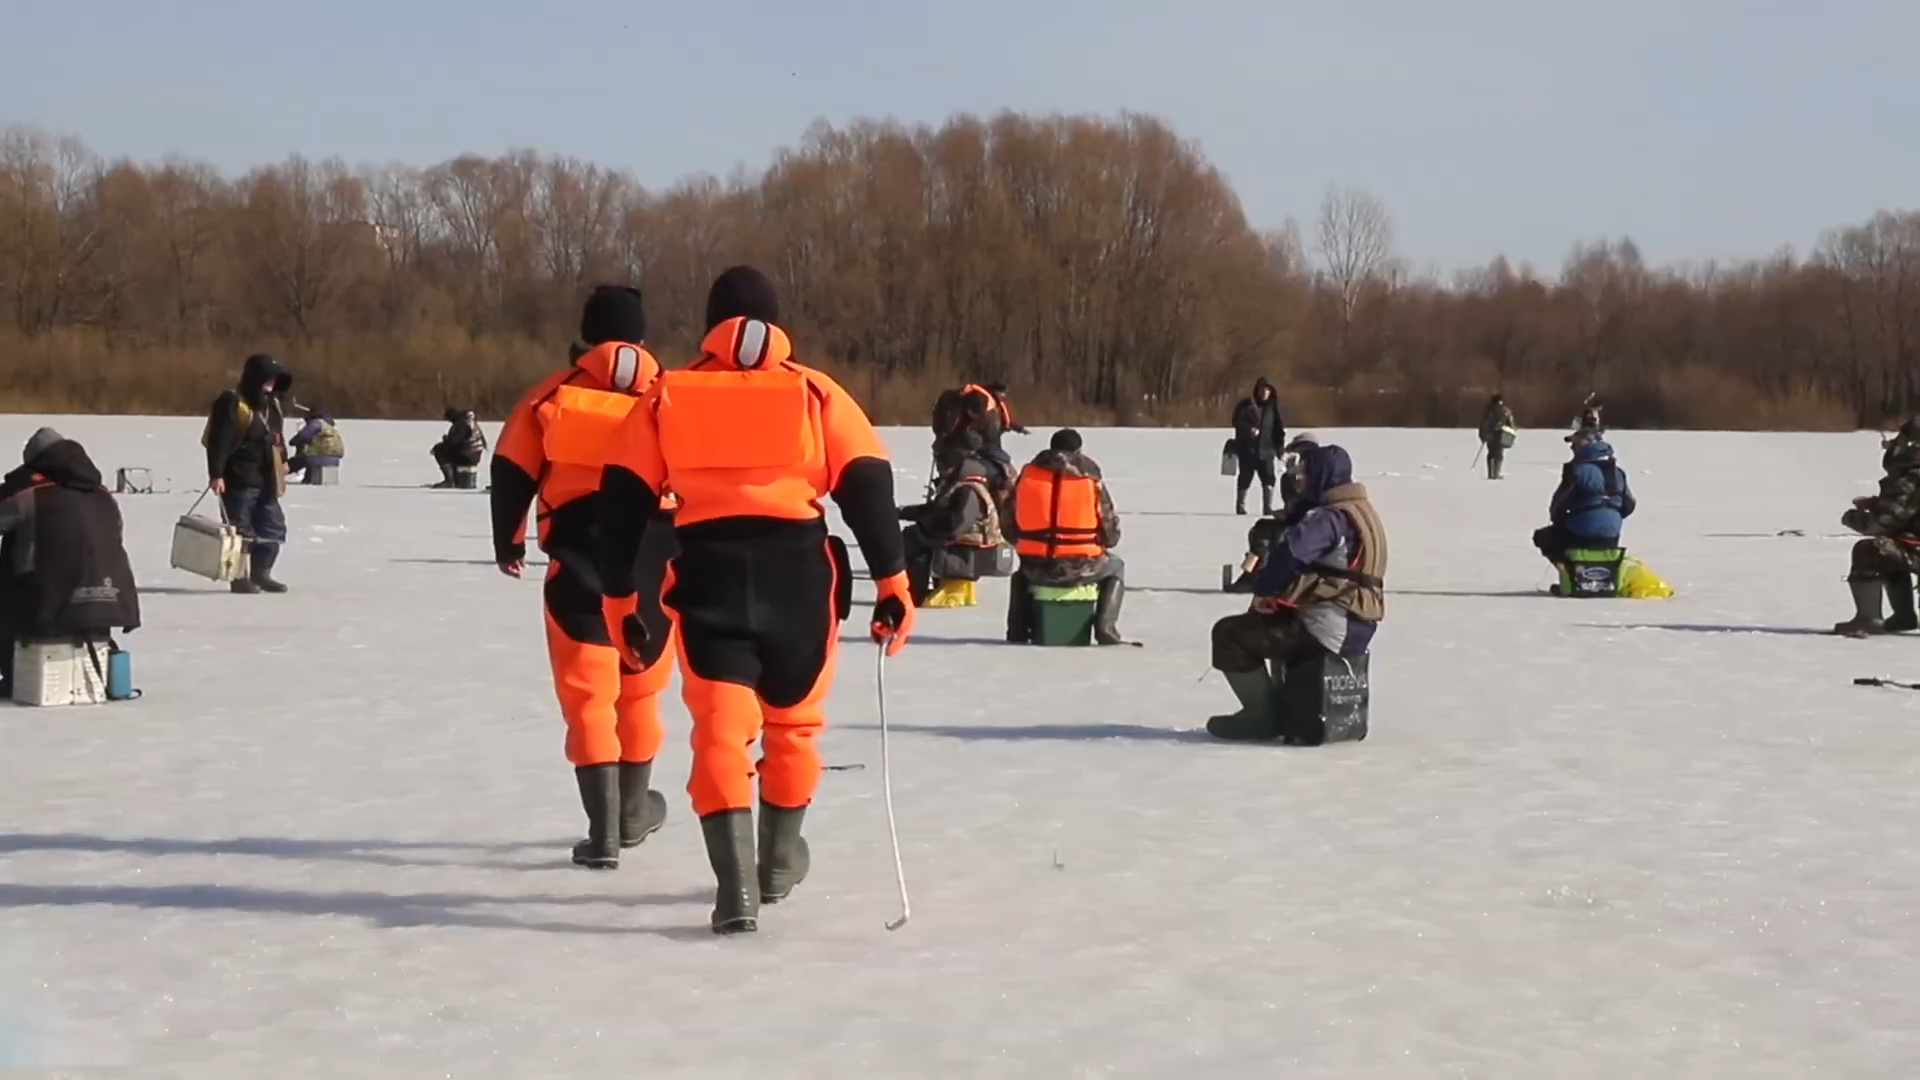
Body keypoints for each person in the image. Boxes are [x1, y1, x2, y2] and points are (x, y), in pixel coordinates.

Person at [594, 265, 914, 935]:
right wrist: (893, 581)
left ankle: (735, 890)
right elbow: (866, 484)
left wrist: (620, 596)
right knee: (793, 728)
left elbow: (621, 503)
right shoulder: (816, 391)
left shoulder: (668, 393)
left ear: (710, 327)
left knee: (720, 730)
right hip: (800, 579)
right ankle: (777, 862)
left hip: (709, 575)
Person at [492, 285, 676, 869]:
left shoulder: (552, 393)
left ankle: (603, 836)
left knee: (590, 701)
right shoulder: (673, 392)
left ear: (586, 336)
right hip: (654, 567)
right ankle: (633, 812)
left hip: (579, 565)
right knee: (640, 692)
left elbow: (511, 468)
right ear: (642, 336)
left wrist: (508, 540)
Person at [1207, 443, 1386, 740]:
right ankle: (1285, 710)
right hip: (1356, 625)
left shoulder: (1329, 518)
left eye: (1307, 473)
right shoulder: (1361, 511)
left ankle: (1261, 718)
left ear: (1321, 476)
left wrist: (1265, 589)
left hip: (1327, 627)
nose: (1301, 480)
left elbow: (1291, 554)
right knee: (1279, 622)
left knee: (1230, 634)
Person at [0, 428, 141, 700]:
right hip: (109, 596)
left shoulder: (29, 491)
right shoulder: (102, 493)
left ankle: (14, 674)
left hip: (46, 599)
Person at [1003, 428, 1127, 645]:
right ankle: (1105, 628)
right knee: (1116, 566)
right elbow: (1109, 529)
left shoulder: (1028, 475)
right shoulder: (1090, 478)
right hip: (1082, 565)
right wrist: (1106, 541)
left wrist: (1027, 542)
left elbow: (1008, 519)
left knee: (1021, 575)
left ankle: (1017, 630)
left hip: (1035, 565)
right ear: (1078, 451)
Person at [203, 352, 293, 594]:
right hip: (238, 479)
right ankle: (239, 577)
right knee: (239, 531)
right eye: (267, 380)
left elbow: (277, 438)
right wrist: (216, 474)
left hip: (267, 480)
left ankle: (261, 573)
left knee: (273, 528)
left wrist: (284, 463)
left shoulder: (272, 405)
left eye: (274, 381)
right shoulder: (232, 402)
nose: (271, 386)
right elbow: (218, 441)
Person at [899, 431, 1009, 604]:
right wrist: (905, 512)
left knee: (915, 542)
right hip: (965, 542)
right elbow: (937, 511)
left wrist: (928, 527)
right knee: (913, 535)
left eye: (943, 461)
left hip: (969, 548)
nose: (940, 467)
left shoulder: (967, 488)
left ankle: (913, 595)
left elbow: (957, 526)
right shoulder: (959, 483)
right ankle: (913, 591)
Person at [1834, 419, 1920, 637]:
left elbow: (1885, 522)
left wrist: (1853, 518)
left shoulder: (1910, 476)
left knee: (1871, 550)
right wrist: (1876, 504)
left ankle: (1868, 620)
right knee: (1896, 546)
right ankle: (1903, 617)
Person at [1533, 429, 1635, 585]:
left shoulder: (1576, 470)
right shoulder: (1618, 472)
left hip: (1582, 530)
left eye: (1575, 444)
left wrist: (1559, 519)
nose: (1572, 448)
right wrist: (1611, 516)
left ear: (1584, 446)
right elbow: (1629, 504)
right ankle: (1602, 578)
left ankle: (1571, 579)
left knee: (1543, 537)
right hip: (1612, 532)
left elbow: (1560, 503)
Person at [1225, 434, 1320, 594]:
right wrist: (1292, 483)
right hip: (1297, 520)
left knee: (1273, 535)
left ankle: (1267, 576)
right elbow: (1292, 501)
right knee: (1261, 530)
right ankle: (1253, 573)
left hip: (1317, 523)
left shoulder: (1321, 475)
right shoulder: (1288, 478)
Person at [1229, 378, 1286, 515]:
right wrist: (1248, 430)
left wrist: (1280, 448)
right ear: (1257, 390)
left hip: (1267, 450)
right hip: (1247, 450)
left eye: (1267, 390)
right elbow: (1236, 421)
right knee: (1245, 478)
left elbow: (1278, 430)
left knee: (1269, 479)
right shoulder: (1246, 405)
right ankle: (1240, 506)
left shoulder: (1272, 408)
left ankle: (1267, 507)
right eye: (1262, 389)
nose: (1264, 392)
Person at [432, 407, 488, 487]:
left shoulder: (462, 424)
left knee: (440, 450)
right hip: (474, 453)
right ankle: (456, 479)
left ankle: (450, 480)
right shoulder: (469, 421)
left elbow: (456, 440)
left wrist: (444, 444)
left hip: (467, 454)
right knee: (449, 450)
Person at [287, 404, 346, 480]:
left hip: (319, 456)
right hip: (334, 458)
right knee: (310, 457)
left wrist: (293, 441)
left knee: (299, 460)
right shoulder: (328, 426)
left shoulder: (315, 424)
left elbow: (302, 437)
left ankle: (280, 473)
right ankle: (308, 479)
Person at [1479, 394, 1517, 480]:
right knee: (1498, 454)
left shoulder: (1488, 410)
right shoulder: (1501, 410)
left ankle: (1491, 473)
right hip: (1498, 435)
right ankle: (1495, 473)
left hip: (1491, 435)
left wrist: (1483, 436)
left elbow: (1483, 424)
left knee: (1492, 454)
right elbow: (1508, 422)